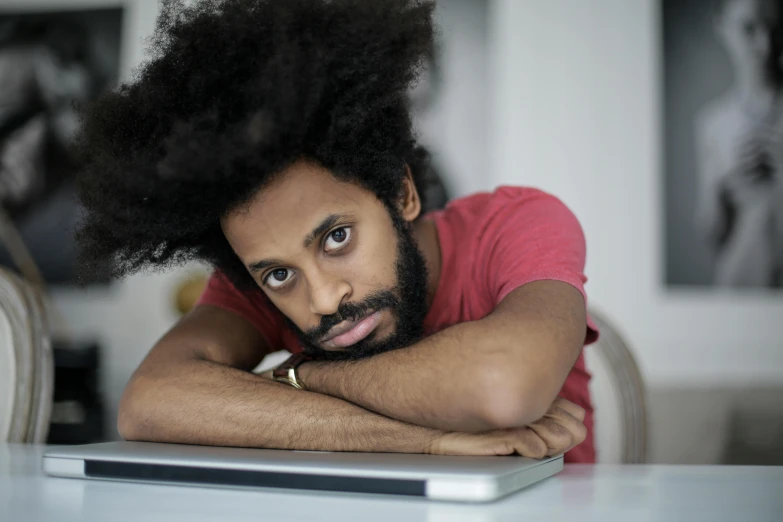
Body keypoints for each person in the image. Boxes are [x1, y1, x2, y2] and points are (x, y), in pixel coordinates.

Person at [76, 0, 597, 462]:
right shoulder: (258, 275)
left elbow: (503, 385)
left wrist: (303, 374)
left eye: (336, 239)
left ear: (402, 193)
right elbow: (149, 401)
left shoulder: (517, 222)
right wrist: (424, 441)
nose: (323, 300)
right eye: (280, 274)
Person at [695, 0, 783, 287]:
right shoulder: (712, 123)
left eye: (776, 29)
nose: (766, 45)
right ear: (722, 27)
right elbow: (712, 236)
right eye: (748, 28)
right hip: (740, 286)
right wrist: (722, 183)